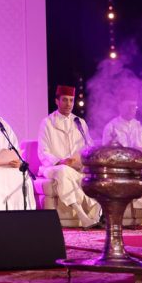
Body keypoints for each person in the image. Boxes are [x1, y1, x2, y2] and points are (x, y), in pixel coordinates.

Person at [37, 85, 100, 228]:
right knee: (64, 171)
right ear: (57, 101)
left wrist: (83, 159)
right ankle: (81, 215)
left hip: (75, 167)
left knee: (95, 173)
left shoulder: (79, 122)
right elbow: (43, 151)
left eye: (71, 100)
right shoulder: (47, 122)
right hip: (53, 167)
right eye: (64, 100)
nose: (68, 104)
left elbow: (88, 146)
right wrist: (61, 161)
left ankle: (96, 215)